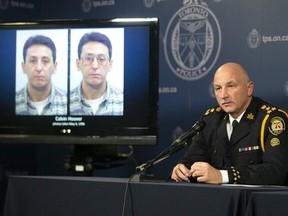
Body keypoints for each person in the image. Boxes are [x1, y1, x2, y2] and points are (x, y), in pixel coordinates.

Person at [171, 62, 288, 185]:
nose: (223, 95)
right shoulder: (210, 120)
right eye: (218, 88)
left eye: (231, 86)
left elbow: (275, 171)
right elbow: (191, 160)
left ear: (249, 88)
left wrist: (222, 176)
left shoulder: (272, 120)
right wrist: (182, 169)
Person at [70, 31, 123, 115]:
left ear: (110, 64)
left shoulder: (123, 101)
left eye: (101, 59)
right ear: (78, 64)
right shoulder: (66, 101)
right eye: (88, 58)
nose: (95, 66)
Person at [16, 35, 67, 115]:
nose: (39, 68)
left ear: (55, 67)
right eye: (33, 61)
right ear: (24, 67)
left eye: (45, 61)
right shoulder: (11, 102)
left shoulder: (67, 102)